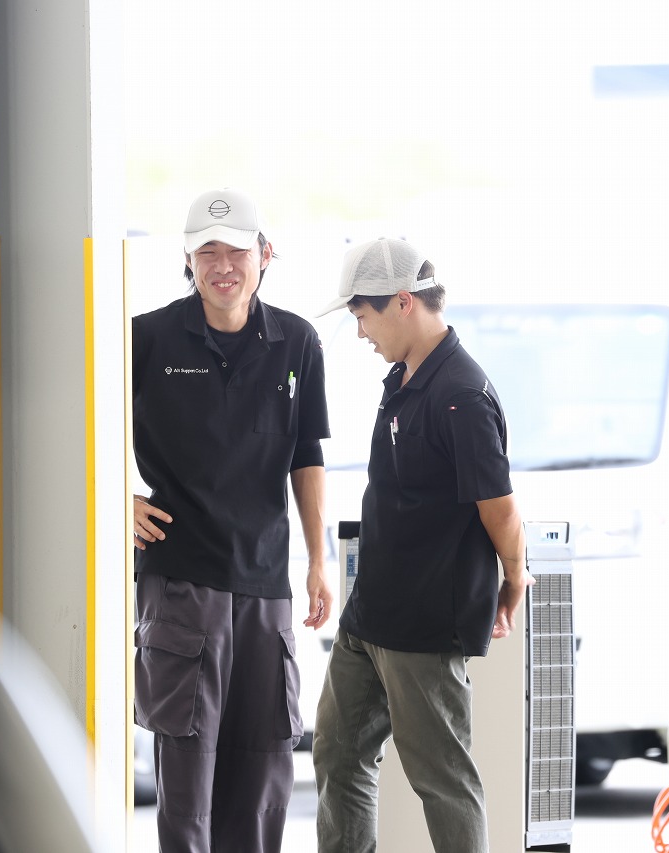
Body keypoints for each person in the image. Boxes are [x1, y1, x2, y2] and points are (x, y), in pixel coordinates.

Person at [312, 237, 532, 853]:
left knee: (442, 779)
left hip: (425, 621)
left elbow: (500, 508)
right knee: (337, 753)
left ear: (403, 301)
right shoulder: (405, 377)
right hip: (370, 613)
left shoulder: (461, 394)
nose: (360, 332)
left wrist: (515, 578)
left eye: (363, 315)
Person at [130, 187, 331, 853]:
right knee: (188, 778)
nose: (222, 266)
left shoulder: (297, 341)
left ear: (265, 255)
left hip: (267, 583)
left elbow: (306, 455)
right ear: (187, 260)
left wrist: (318, 561)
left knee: (265, 768)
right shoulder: (146, 337)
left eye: (236, 251)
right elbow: (82, 423)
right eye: (206, 252)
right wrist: (117, 501)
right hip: (181, 580)